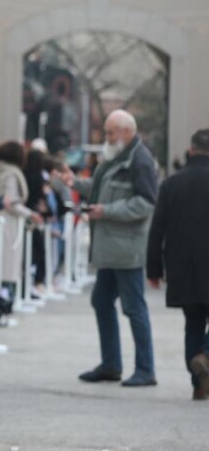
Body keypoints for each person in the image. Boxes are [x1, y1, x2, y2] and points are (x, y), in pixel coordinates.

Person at [64, 110, 159, 387]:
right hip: (111, 248)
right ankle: (111, 364)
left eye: (110, 132)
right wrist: (75, 184)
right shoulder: (117, 157)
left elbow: (145, 203)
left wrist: (107, 211)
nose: (106, 137)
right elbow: (101, 187)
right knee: (102, 301)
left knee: (134, 307)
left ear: (126, 132)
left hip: (126, 249)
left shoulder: (140, 161)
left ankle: (145, 368)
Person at [147, 128, 209, 399]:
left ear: (191, 149)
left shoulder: (171, 184)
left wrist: (153, 268)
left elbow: (157, 228)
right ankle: (205, 356)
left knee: (192, 322)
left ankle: (198, 383)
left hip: (182, 265)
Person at [0, 140, 37, 324]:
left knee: (3, 268)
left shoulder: (2, 171)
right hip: (9, 225)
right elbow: (11, 202)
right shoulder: (11, 174)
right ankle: (2, 309)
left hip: (5, 223)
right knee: (7, 269)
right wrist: (30, 214)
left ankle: (0, 308)